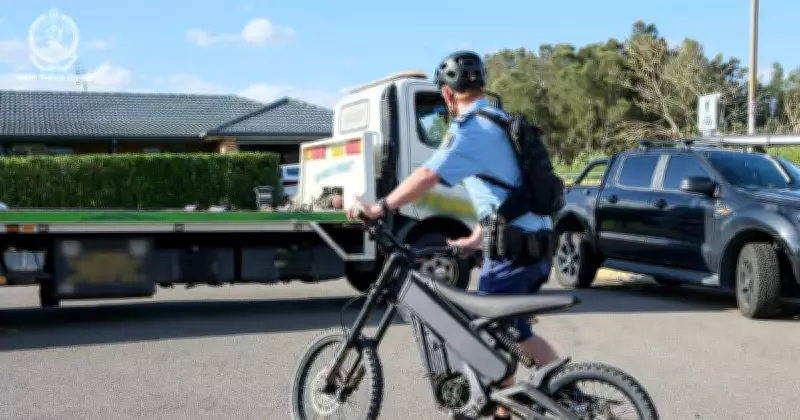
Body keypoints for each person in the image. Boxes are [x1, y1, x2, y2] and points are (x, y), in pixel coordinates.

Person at [348, 50, 561, 420]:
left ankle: (546, 402)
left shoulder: (468, 129)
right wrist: (477, 237)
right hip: (533, 247)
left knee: (481, 338)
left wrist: (380, 207)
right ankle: (562, 391)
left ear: (447, 95)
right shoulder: (498, 120)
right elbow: (506, 193)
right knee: (515, 336)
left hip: (514, 254)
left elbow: (427, 176)